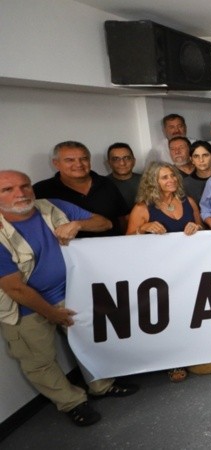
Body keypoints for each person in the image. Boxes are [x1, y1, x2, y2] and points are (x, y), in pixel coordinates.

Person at [0, 170, 137, 427]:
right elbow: (14, 289)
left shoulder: (51, 207)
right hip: (24, 308)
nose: (20, 193)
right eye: (7, 190)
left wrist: (78, 224)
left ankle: (102, 385)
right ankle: (72, 403)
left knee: (89, 341)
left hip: (71, 291)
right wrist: (52, 314)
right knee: (39, 361)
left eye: (24, 186)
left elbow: (105, 223)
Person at [33, 141, 127, 237]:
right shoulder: (42, 190)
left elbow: (122, 218)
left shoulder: (106, 183)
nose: (78, 164)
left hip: (113, 247)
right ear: (56, 163)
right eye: (70, 160)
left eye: (84, 159)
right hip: (68, 250)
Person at [126, 162, 202, 236]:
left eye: (173, 175)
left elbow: (202, 229)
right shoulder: (141, 209)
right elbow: (127, 239)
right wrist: (142, 228)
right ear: (153, 182)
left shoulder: (189, 201)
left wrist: (197, 227)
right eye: (165, 177)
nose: (172, 180)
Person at [105, 142, 141, 212]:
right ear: (109, 163)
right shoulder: (101, 185)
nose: (122, 163)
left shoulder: (147, 181)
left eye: (127, 158)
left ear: (134, 161)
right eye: (116, 159)